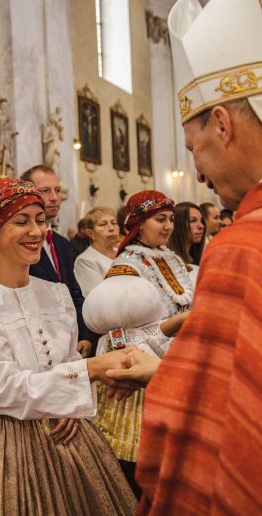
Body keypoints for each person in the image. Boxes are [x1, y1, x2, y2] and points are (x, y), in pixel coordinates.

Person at [107, 0, 262, 513]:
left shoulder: (241, 247)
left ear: (223, 124)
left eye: (193, 147)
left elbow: (220, 419)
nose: (196, 174)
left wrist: (163, 375)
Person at [0, 178, 138, 515]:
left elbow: (66, 357)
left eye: (40, 220)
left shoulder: (55, 293)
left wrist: (69, 403)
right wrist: (90, 370)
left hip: (68, 435)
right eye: (21, 221)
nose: (36, 231)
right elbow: (3, 390)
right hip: (0, 445)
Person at [83, 190, 194, 500]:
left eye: (171, 219)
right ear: (139, 224)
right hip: (137, 372)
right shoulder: (128, 264)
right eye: (160, 219)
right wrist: (179, 325)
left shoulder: (169, 257)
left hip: (169, 366)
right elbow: (121, 337)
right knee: (140, 474)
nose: (169, 226)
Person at [21, 165, 94, 357]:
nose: (54, 197)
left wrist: (84, 334)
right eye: (45, 191)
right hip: (39, 343)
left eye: (58, 190)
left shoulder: (61, 243)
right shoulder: (21, 244)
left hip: (70, 340)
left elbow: (73, 292)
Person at [74, 206, 119, 296]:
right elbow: (99, 297)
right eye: (103, 224)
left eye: (114, 223)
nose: (111, 228)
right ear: (91, 233)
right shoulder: (85, 261)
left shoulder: (123, 252)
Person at [168, 201, 205, 284]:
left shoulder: (196, 257)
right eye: (193, 221)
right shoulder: (171, 262)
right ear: (178, 224)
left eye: (201, 221)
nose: (201, 226)